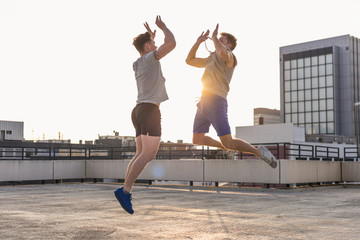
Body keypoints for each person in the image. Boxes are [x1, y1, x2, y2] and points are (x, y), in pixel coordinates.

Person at [185, 24, 277, 168]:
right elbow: (189, 60)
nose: (217, 41)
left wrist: (214, 37)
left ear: (229, 45)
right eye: (218, 39)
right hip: (203, 102)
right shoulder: (211, 58)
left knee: (228, 140)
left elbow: (222, 53)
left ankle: (258, 152)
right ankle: (225, 148)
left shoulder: (230, 57)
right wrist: (198, 42)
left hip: (216, 101)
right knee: (197, 139)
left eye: (222, 40)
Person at [114, 16, 176, 214]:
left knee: (140, 154)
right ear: (148, 46)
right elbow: (172, 43)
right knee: (148, 154)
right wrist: (163, 27)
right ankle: (125, 191)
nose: (156, 45)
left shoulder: (137, 62)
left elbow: (149, 47)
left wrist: (149, 36)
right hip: (149, 110)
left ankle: (125, 189)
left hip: (139, 110)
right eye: (153, 43)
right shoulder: (151, 57)